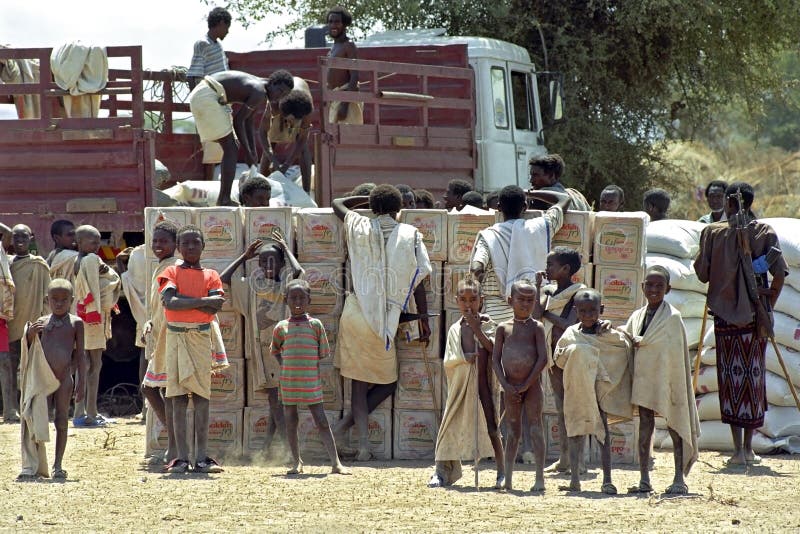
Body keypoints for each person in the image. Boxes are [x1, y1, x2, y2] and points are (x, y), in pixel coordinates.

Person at [331, 185, 432, 461]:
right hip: (385, 318)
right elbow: (420, 277)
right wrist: (423, 318)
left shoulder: (359, 224)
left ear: (373, 208)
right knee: (387, 383)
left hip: (356, 312)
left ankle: (359, 443)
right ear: (399, 208)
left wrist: (367, 200)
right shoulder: (410, 234)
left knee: (359, 387)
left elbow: (337, 202)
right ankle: (343, 431)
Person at [694, 182, 787, 466]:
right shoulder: (764, 232)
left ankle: (738, 451)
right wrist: (767, 308)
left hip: (725, 319)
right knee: (753, 380)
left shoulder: (711, 233)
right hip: (754, 320)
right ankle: (748, 449)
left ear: (730, 204)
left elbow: (701, 274)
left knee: (731, 381)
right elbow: (780, 274)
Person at [221, 236, 303, 458]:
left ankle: (278, 448)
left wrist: (286, 249)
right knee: (275, 398)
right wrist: (244, 257)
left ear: (281, 263)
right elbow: (224, 278)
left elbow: (298, 272)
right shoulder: (251, 287)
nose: (269, 265)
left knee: (276, 398)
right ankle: (278, 448)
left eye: (274, 261)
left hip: (283, 352)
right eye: (264, 261)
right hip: (262, 353)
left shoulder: (286, 286)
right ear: (257, 264)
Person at [621, 266, 700, 495]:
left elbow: (671, 352)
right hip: (644, 379)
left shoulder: (673, 317)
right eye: (650, 285)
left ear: (668, 289)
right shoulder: (637, 316)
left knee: (675, 421)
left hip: (667, 378)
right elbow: (627, 340)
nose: (654, 290)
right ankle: (644, 479)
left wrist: (641, 342)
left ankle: (678, 478)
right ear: (642, 287)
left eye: (659, 286)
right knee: (645, 425)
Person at [159, 224, 229, 473]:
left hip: (200, 339)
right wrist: (204, 301)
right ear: (178, 247)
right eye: (185, 243)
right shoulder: (171, 272)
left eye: (195, 242)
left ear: (203, 246)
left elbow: (215, 307)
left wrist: (193, 304)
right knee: (177, 398)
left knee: (202, 397)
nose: (190, 247)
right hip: (176, 339)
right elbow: (170, 302)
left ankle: (201, 457)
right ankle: (180, 457)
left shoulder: (211, 275)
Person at [553, 289, 633, 494]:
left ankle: (607, 479)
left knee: (602, 433)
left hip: (599, 391)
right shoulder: (571, 333)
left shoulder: (607, 334)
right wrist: (577, 354)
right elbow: (559, 358)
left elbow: (621, 349)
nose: (588, 315)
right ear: (575, 311)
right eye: (583, 311)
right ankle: (574, 480)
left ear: (601, 310)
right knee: (574, 432)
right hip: (578, 390)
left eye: (593, 311)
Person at [429, 277, 505, 489]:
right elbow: (449, 360)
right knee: (449, 426)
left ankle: (502, 472)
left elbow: (492, 348)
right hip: (461, 387)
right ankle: (442, 471)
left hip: (484, 387)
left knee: (492, 428)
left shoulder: (488, 324)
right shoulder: (455, 329)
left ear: (481, 300)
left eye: (473, 299)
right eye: (463, 299)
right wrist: (465, 359)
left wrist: (476, 328)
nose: (468, 304)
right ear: (456, 301)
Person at [270, 279, 350, 475]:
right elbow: (275, 350)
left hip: (310, 382)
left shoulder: (315, 325)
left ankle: (335, 463)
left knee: (321, 420)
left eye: (302, 298)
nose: (297, 302)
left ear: (309, 300)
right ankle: (297, 462)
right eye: (293, 298)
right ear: (286, 300)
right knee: (291, 421)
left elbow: (322, 352)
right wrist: (286, 366)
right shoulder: (281, 327)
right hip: (289, 383)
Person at [188, 69, 294, 206]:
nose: (279, 97)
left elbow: (248, 121)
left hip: (207, 94)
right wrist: (248, 153)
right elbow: (238, 121)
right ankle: (224, 199)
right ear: (272, 83)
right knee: (231, 148)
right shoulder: (259, 92)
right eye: (280, 91)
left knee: (231, 147)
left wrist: (253, 152)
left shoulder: (261, 90)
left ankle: (224, 198)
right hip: (207, 96)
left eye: (284, 95)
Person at [17, 279, 86, 481]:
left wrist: (81, 383)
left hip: (64, 379)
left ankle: (58, 465)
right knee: (38, 420)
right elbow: (31, 350)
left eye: (64, 300)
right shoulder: (41, 322)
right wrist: (29, 335)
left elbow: (81, 355)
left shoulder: (76, 323)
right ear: (47, 300)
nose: (59, 303)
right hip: (43, 379)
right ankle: (35, 465)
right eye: (54, 299)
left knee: (62, 420)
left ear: (72, 300)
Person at [532, 246, 585, 473]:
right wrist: (537, 288)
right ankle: (564, 459)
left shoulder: (578, 293)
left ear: (565, 269)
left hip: (572, 356)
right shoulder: (549, 292)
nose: (547, 268)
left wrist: (547, 314)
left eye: (551, 264)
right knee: (561, 407)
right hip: (553, 358)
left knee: (575, 408)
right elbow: (535, 315)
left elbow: (569, 325)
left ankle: (578, 461)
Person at [492, 279, 548, 492]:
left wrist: (526, 384)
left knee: (535, 428)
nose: (525, 304)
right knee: (512, 431)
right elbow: (495, 360)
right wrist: (505, 384)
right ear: (510, 300)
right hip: (510, 387)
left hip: (531, 387)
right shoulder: (502, 328)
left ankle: (540, 478)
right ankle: (508, 477)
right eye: (521, 300)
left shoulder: (537, 328)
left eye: (530, 300)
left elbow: (542, 358)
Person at [70, 225, 120, 427]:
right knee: (93, 365)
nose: (97, 245)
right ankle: (88, 413)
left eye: (99, 241)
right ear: (79, 242)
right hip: (92, 318)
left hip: (83, 317)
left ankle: (84, 412)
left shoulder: (78, 260)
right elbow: (98, 288)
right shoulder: (90, 259)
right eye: (93, 241)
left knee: (85, 365)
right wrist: (109, 273)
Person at [141, 221, 180, 464]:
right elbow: (156, 306)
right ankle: (175, 443)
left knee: (153, 389)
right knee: (160, 391)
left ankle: (176, 444)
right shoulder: (160, 267)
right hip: (159, 336)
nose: (157, 245)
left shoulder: (173, 267)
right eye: (155, 241)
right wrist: (149, 323)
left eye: (163, 241)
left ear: (175, 244)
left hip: (170, 337)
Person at [3, 224, 50, 423]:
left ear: (31, 238)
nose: (20, 241)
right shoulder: (6, 263)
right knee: (8, 368)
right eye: (15, 237)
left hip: (32, 326)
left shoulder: (39, 265)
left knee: (33, 369)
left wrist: (46, 322)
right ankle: (9, 409)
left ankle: (32, 408)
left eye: (24, 237)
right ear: (10, 240)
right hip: (10, 324)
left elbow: (48, 296)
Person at [187, 6, 233, 181]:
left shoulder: (218, 45)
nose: (227, 31)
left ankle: (217, 181)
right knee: (218, 145)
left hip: (221, 102)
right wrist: (198, 103)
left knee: (223, 146)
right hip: (210, 101)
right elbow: (194, 75)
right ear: (220, 23)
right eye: (227, 27)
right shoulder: (202, 43)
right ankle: (211, 183)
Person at [259, 81, 315, 192]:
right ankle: (261, 186)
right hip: (282, 107)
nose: (291, 125)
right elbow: (262, 133)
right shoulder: (273, 105)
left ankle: (306, 192)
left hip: (297, 106)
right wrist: (272, 159)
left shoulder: (306, 109)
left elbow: (302, 139)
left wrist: (286, 165)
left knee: (303, 149)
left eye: (295, 122)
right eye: (290, 121)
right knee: (271, 142)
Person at [326, 6, 362, 125]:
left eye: (337, 22)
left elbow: (355, 76)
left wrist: (345, 105)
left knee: (349, 140)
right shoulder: (333, 48)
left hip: (346, 100)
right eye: (330, 22)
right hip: (334, 99)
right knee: (333, 140)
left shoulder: (349, 46)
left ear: (344, 24)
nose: (333, 25)